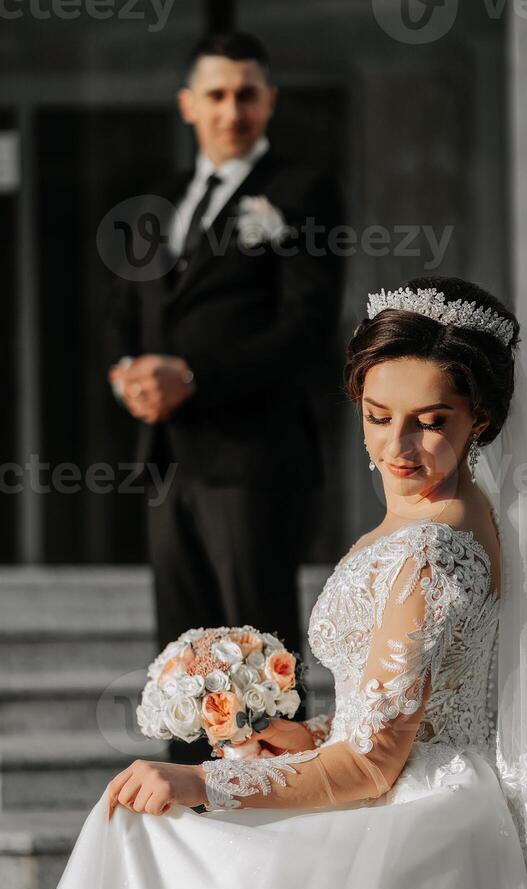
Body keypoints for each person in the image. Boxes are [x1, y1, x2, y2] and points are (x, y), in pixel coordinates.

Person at [21, 277, 527, 889]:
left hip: (419, 814)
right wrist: (302, 734)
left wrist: (202, 779)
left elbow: (375, 762)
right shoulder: (452, 517)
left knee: (142, 834)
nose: (398, 446)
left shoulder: (429, 550)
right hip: (426, 777)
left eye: (432, 420)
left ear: (483, 419)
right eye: (379, 415)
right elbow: (418, 708)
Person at [105, 32, 344, 761]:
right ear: (188, 104)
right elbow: (132, 308)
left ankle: (275, 811)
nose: (231, 109)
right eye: (216, 94)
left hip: (254, 458)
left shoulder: (303, 191)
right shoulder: (165, 196)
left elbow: (305, 330)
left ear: (269, 100)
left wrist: (195, 374)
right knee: (183, 657)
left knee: (257, 649)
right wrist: (126, 372)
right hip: (169, 457)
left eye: (247, 93)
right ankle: (191, 811)